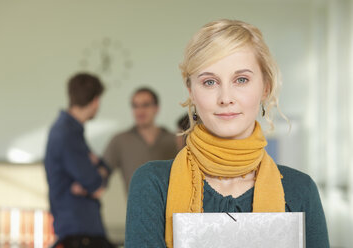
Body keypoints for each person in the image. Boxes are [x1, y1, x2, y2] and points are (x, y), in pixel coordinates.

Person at [125, 20, 329, 247]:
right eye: (209, 82)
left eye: (241, 80)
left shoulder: (301, 190)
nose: (225, 98)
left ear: (266, 88)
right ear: (191, 91)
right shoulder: (153, 183)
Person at [44, 73, 115, 248]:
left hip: (83, 230)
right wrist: (97, 177)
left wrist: (94, 178)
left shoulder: (71, 131)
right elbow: (96, 184)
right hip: (79, 234)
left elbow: (103, 170)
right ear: (96, 101)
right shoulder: (66, 134)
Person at [103, 87, 178, 191]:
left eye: (146, 105)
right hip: (137, 205)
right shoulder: (120, 140)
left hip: (172, 205)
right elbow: (101, 174)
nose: (140, 111)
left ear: (156, 108)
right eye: (135, 106)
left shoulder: (174, 139)